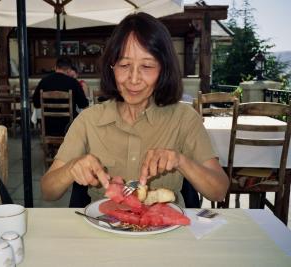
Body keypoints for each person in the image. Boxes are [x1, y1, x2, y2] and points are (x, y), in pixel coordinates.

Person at [40, 12, 229, 208]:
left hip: (165, 233)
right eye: (124, 65)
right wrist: (71, 168)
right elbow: (48, 191)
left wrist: (181, 161)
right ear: (111, 67)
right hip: (104, 230)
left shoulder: (185, 119)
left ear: (163, 69)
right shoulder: (88, 120)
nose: (134, 78)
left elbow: (219, 191)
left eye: (147, 66)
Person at [32, 56, 89, 136]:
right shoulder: (73, 82)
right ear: (69, 70)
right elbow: (84, 104)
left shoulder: (44, 81)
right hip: (69, 128)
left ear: (55, 67)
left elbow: (36, 103)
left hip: (48, 128)